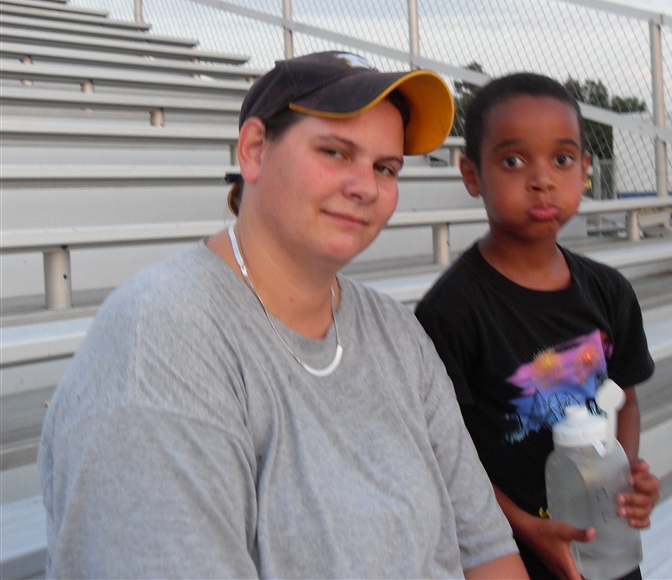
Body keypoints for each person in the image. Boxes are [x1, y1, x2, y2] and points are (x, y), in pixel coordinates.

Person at [39, 51, 527, 579]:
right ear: (254, 150)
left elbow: (484, 546)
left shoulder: (396, 332)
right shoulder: (162, 337)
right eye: (335, 152)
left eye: (385, 168)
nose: (366, 186)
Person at [415, 73, 660, 580]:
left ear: (585, 169)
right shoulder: (450, 313)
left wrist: (622, 479)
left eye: (562, 159)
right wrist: (527, 527)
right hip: (509, 554)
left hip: (603, 548)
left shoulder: (609, 292)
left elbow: (627, 401)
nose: (542, 179)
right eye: (513, 161)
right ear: (471, 174)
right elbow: (444, 456)